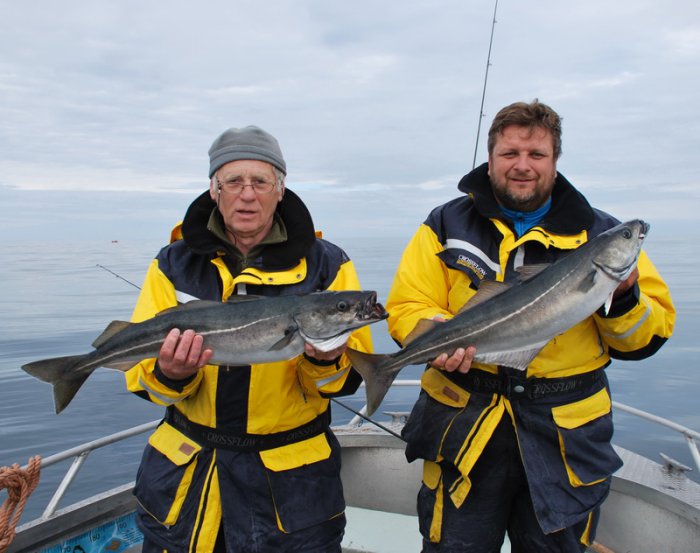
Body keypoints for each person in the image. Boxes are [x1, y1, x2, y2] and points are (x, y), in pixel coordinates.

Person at [386, 100, 675, 552]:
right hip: (465, 420)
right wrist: (434, 331)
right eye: (510, 154)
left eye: (536, 155)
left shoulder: (599, 233)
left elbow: (646, 338)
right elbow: (407, 303)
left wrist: (622, 297)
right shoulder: (446, 222)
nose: (523, 166)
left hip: (565, 436)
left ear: (555, 162)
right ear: (491, 157)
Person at [125, 126, 374, 552]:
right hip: (191, 477)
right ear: (213, 190)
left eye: (260, 181)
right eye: (233, 181)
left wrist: (324, 361)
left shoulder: (327, 265)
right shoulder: (174, 262)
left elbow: (347, 380)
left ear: (280, 190)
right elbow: (142, 382)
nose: (247, 194)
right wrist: (170, 373)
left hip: (292, 483)